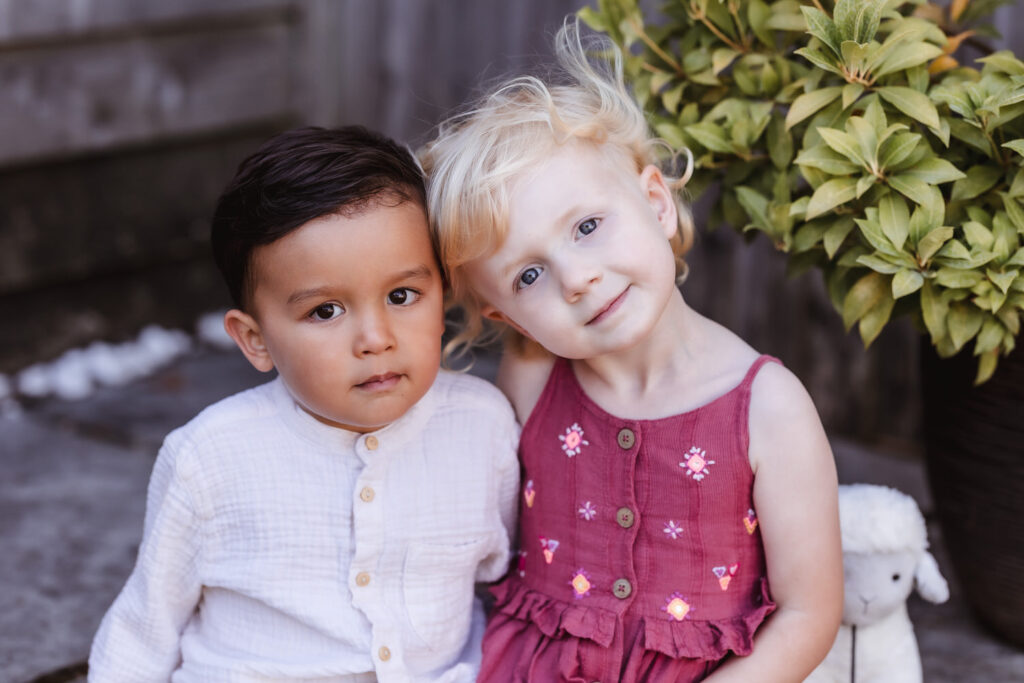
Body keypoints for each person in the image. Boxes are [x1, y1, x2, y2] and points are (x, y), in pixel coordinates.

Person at [419, 22, 843, 683]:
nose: (577, 278)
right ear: (507, 317)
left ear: (656, 202)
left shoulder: (767, 407)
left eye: (587, 227)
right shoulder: (531, 381)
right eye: (529, 275)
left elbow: (809, 614)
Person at [88, 126, 520, 683]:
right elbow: (145, 626)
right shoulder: (210, 457)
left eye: (402, 296)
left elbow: (513, 582)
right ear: (256, 340)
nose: (375, 337)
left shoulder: (483, 426)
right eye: (325, 311)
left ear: (443, 294)